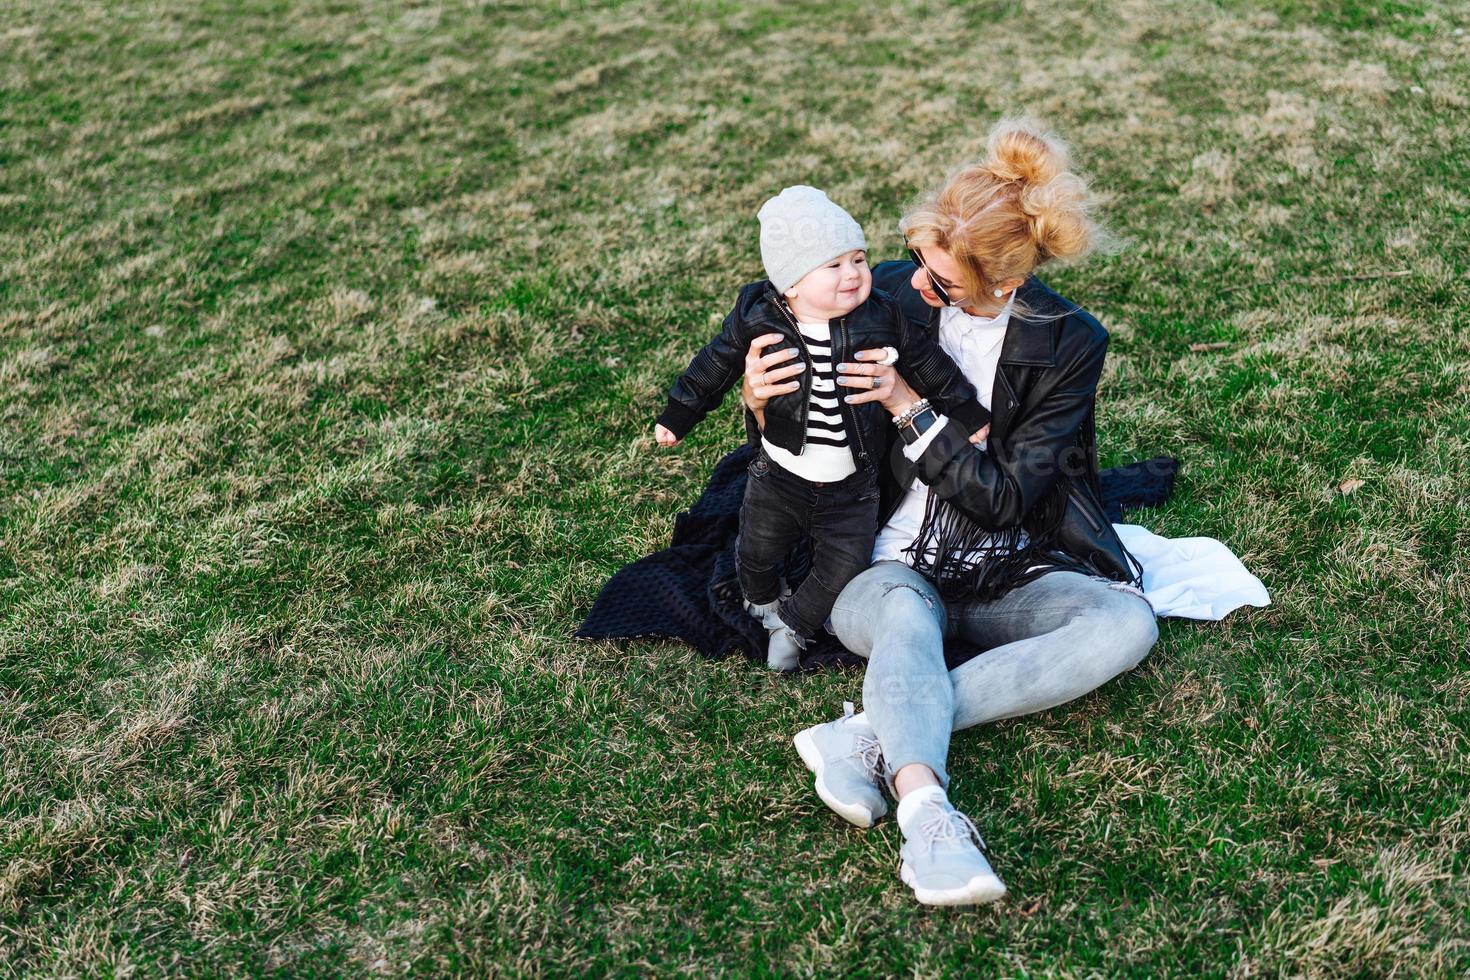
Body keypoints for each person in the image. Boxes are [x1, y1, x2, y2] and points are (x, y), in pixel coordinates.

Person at [740, 120, 1159, 906]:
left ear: (1004, 282)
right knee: (905, 621)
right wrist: (759, 406)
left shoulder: (1071, 343)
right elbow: (806, 432)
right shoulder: (888, 292)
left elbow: (1004, 501)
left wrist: (911, 408)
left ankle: (866, 731)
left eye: (943, 282)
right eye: (921, 264)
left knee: (1127, 625)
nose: (917, 287)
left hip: (1009, 564)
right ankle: (928, 815)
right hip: (885, 559)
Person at [653, 186, 990, 670]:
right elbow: (714, 365)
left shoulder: (881, 316)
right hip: (780, 474)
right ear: (790, 283)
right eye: (833, 265)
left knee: (842, 567)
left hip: (852, 486)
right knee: (756, 550)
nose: (852, 274)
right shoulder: (758, 314)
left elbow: (928, 364)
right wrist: (678, 415)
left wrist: (966, 413)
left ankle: (792, 623)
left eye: (858, 259)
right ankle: (763, 601)